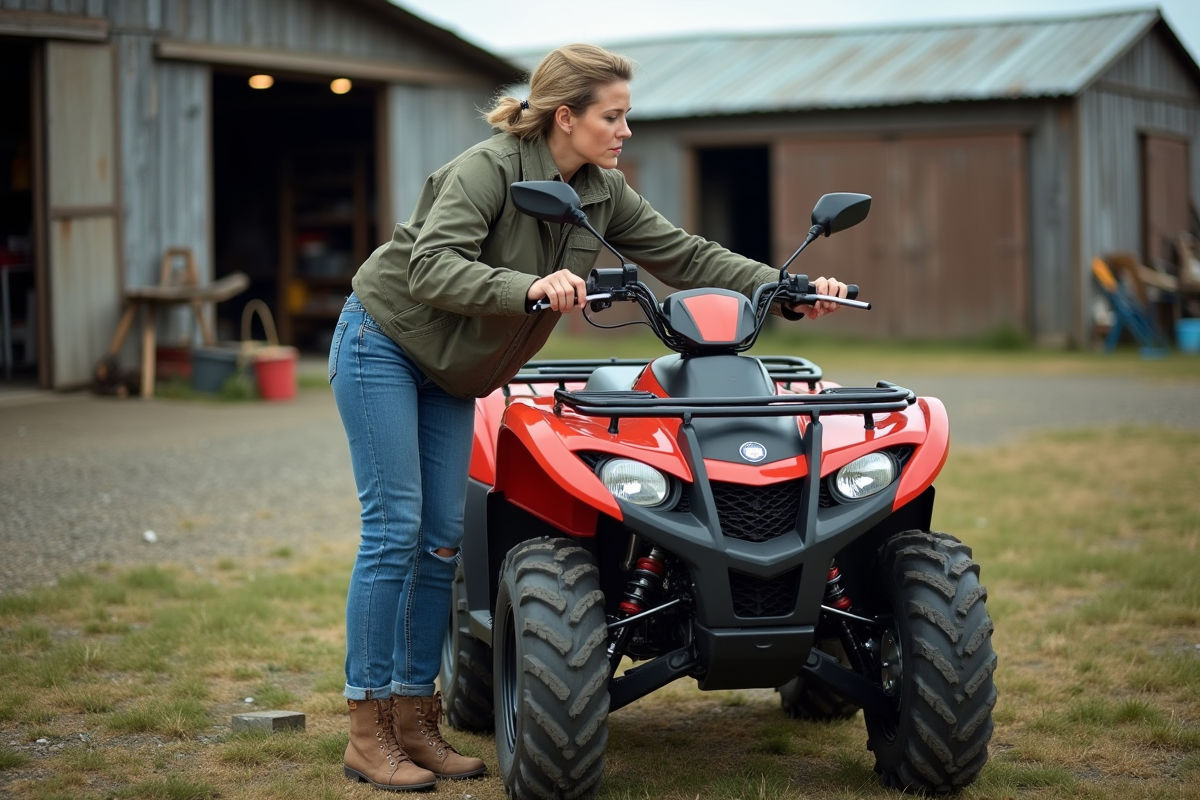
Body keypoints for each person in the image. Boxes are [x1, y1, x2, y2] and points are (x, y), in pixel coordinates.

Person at [329, 43, 848, 792]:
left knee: (441, 543)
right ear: (565, 116)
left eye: (627, 115)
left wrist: (785, 287)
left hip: (455, 371)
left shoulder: (602, 192)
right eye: (614, 115)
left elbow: (685, 253)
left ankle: (415, 723)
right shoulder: (488, 169)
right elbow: (428, 268)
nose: (626, 130)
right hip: (385, 341)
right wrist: (531, 287)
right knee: (396, 530)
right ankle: (366, 730)